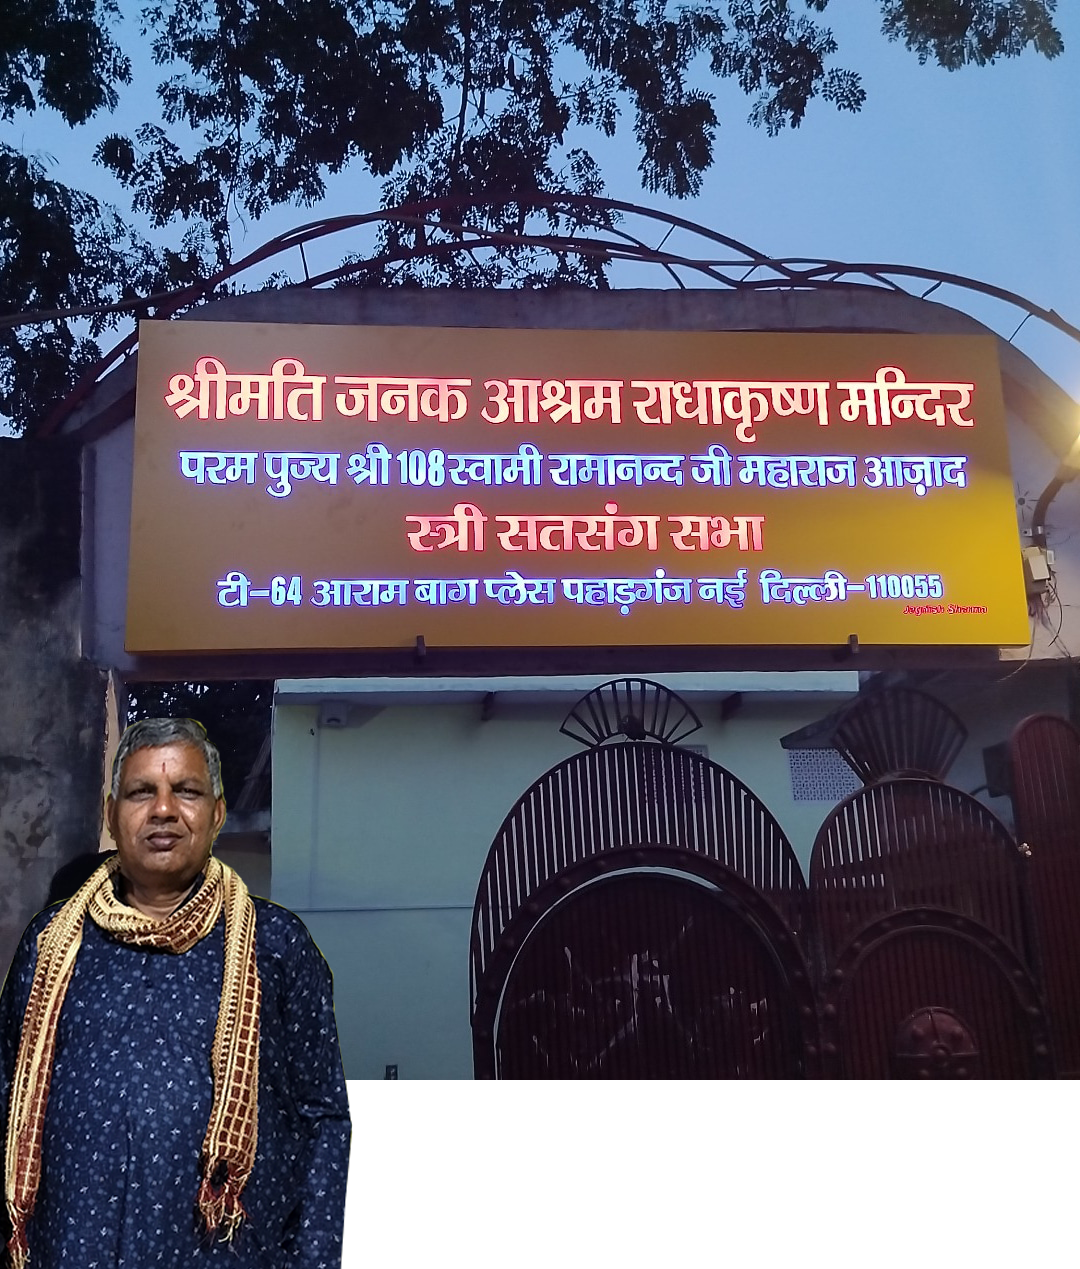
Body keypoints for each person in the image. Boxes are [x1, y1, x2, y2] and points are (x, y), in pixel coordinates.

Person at [0, 718, 349, 1268]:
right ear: (111, 816)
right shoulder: (51, 945)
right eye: (142, 792)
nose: (163, 809)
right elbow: (8, 1096)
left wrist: (316, 1258)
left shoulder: (275, 945)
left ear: (217, 812)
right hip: (70, 1250)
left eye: (186, 791)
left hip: (224, 1255)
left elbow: (322, 1115)